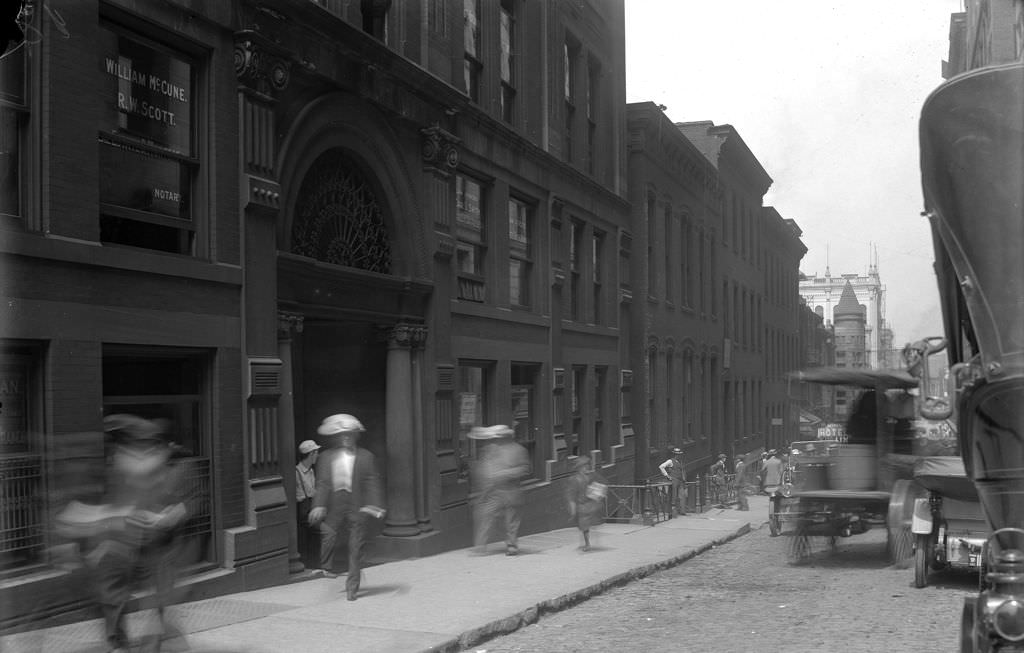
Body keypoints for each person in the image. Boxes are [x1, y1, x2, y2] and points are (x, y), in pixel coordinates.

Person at [56, 414, 190, 653]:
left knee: (157, 599)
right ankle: (118, 643)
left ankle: (145, 644)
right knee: (113, 596)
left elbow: (183, 503)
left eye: (146, 441)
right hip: (121, 542)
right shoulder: (114, 466)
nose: (140, 446)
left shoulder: (167, 466)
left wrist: (166, 516)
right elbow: (99, 503)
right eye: (135, 441)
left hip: (155, 545)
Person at [308, 414, 386, 601]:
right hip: (335, 506)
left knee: (355, 547)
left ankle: (352, 586)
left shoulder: (366, 457)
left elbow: (371, 482)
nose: (346, 438)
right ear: (336, 437)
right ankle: (327, 567)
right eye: (342, 435)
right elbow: (323, 484)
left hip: (356, 505)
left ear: (355, 436)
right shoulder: (325, 457)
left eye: (350, 434)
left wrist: (374, 504)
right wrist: (318, 505)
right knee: (329, 536)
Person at [469, 424, 530, 556]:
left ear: (507, 437)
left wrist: (506, 473)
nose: (497, 439)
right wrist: (483, 490)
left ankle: (512, 546)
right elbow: (485, 469)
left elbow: (525, 469)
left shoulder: (518, 450)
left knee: (511, 521)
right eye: (496, 437)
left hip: (511, 490)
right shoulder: (490, 450)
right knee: (485, 516)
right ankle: (480, 547)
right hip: (493, 492)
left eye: (499, 437)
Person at [565, 456, 606, 552]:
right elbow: (571, 494)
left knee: (584, 526)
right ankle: (587, 542)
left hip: (586, 506)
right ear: (579, 468)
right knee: (584, 526)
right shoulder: (580, 478)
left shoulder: (587, 477)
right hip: (585, 505)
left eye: (587, 466)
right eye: (584, 466)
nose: (586, 468)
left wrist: (573, 509)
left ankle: (587, 544)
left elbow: (571, 495)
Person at [294, 439, 321, 570]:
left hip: (311, 506)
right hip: (303, 510)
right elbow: (299, 496)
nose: (318, 455)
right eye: (316, 452)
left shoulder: (311, 471)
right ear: (310, 454)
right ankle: (314, 564)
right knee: (319, 532)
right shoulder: (296, 472)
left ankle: (316, 563)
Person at [658, 447, 687, 516]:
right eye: (677, 454)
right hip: (674, 480)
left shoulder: (680, 462)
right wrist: (667, 476)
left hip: (680, 481)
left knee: (682, 495)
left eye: (679, 454)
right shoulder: (670, 461)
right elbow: (661, 466)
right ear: (674, 455)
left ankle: (682, 511)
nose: (679, 455)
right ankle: (673, 512)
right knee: (673, 495)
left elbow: (682, 471)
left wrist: (684, 479)